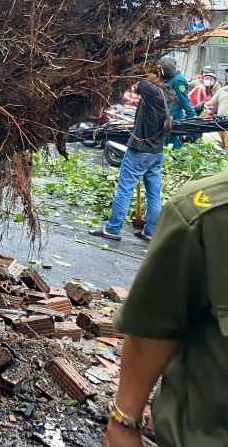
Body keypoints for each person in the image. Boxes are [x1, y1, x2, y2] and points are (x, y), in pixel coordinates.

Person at [104, 172, 228, 446]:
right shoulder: (208, 216)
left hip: (143, 150)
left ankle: (114, 227)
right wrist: (123, 423)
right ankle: (143, 226)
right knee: (148, 182)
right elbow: (153, 329)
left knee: (128, 182)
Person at [90, 64, 172, 242]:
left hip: (140, 151)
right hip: (156, 152)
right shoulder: (169, 94)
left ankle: (112, 229)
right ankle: (150, 232)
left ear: (158, 73)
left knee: (124, 190)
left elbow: (140, 78)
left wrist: (148, 68)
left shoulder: (152, 91)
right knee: (154, 194)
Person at [160, 56, 194, 149]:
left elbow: (184, 101)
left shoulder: (178, 80)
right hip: (165, 118)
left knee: (174, 148)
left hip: (174, 120)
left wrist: (192, 118)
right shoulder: (168, 79)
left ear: (174, 67)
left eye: (165, 68)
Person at [203, 72, 228, 149]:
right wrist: (204, 106)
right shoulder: (222, 90)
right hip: (220, 123)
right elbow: (211, 102)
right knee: (219, 147)